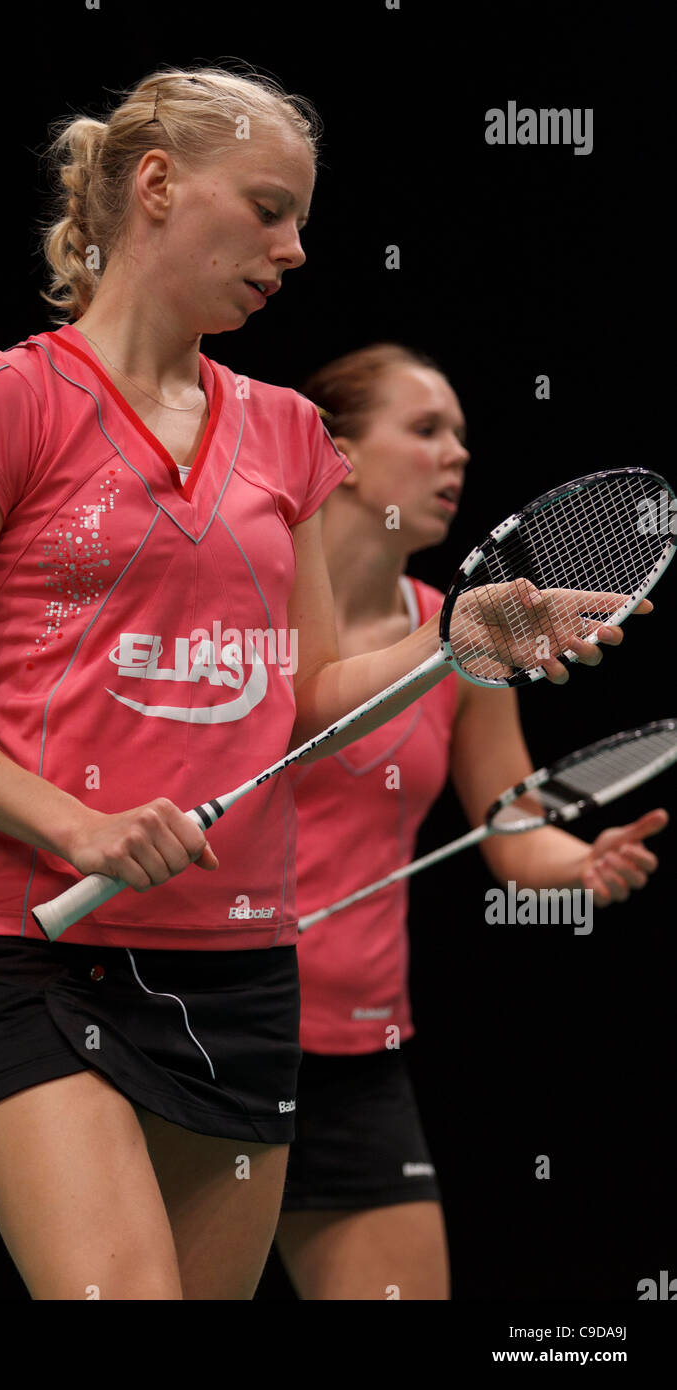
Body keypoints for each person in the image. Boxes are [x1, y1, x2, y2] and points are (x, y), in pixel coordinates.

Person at [0, 67, 636, 1302]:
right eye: (268, 209)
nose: (297, 248)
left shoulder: (285, 433)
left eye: (302, 219)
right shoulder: (3, 401)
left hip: (242, 966)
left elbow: (310, 698)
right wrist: (76, 820)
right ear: (155, 186)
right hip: (38, 951)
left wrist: (454, 640)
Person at [271, 343, 667, 1300]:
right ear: (340, 453)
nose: (456, 455)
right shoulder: (242, 609)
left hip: (358, 1054)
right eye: (425, 429)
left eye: (461, 436)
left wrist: (578, 865)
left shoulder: (461, 640)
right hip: (206, 1028)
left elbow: (510, 824)